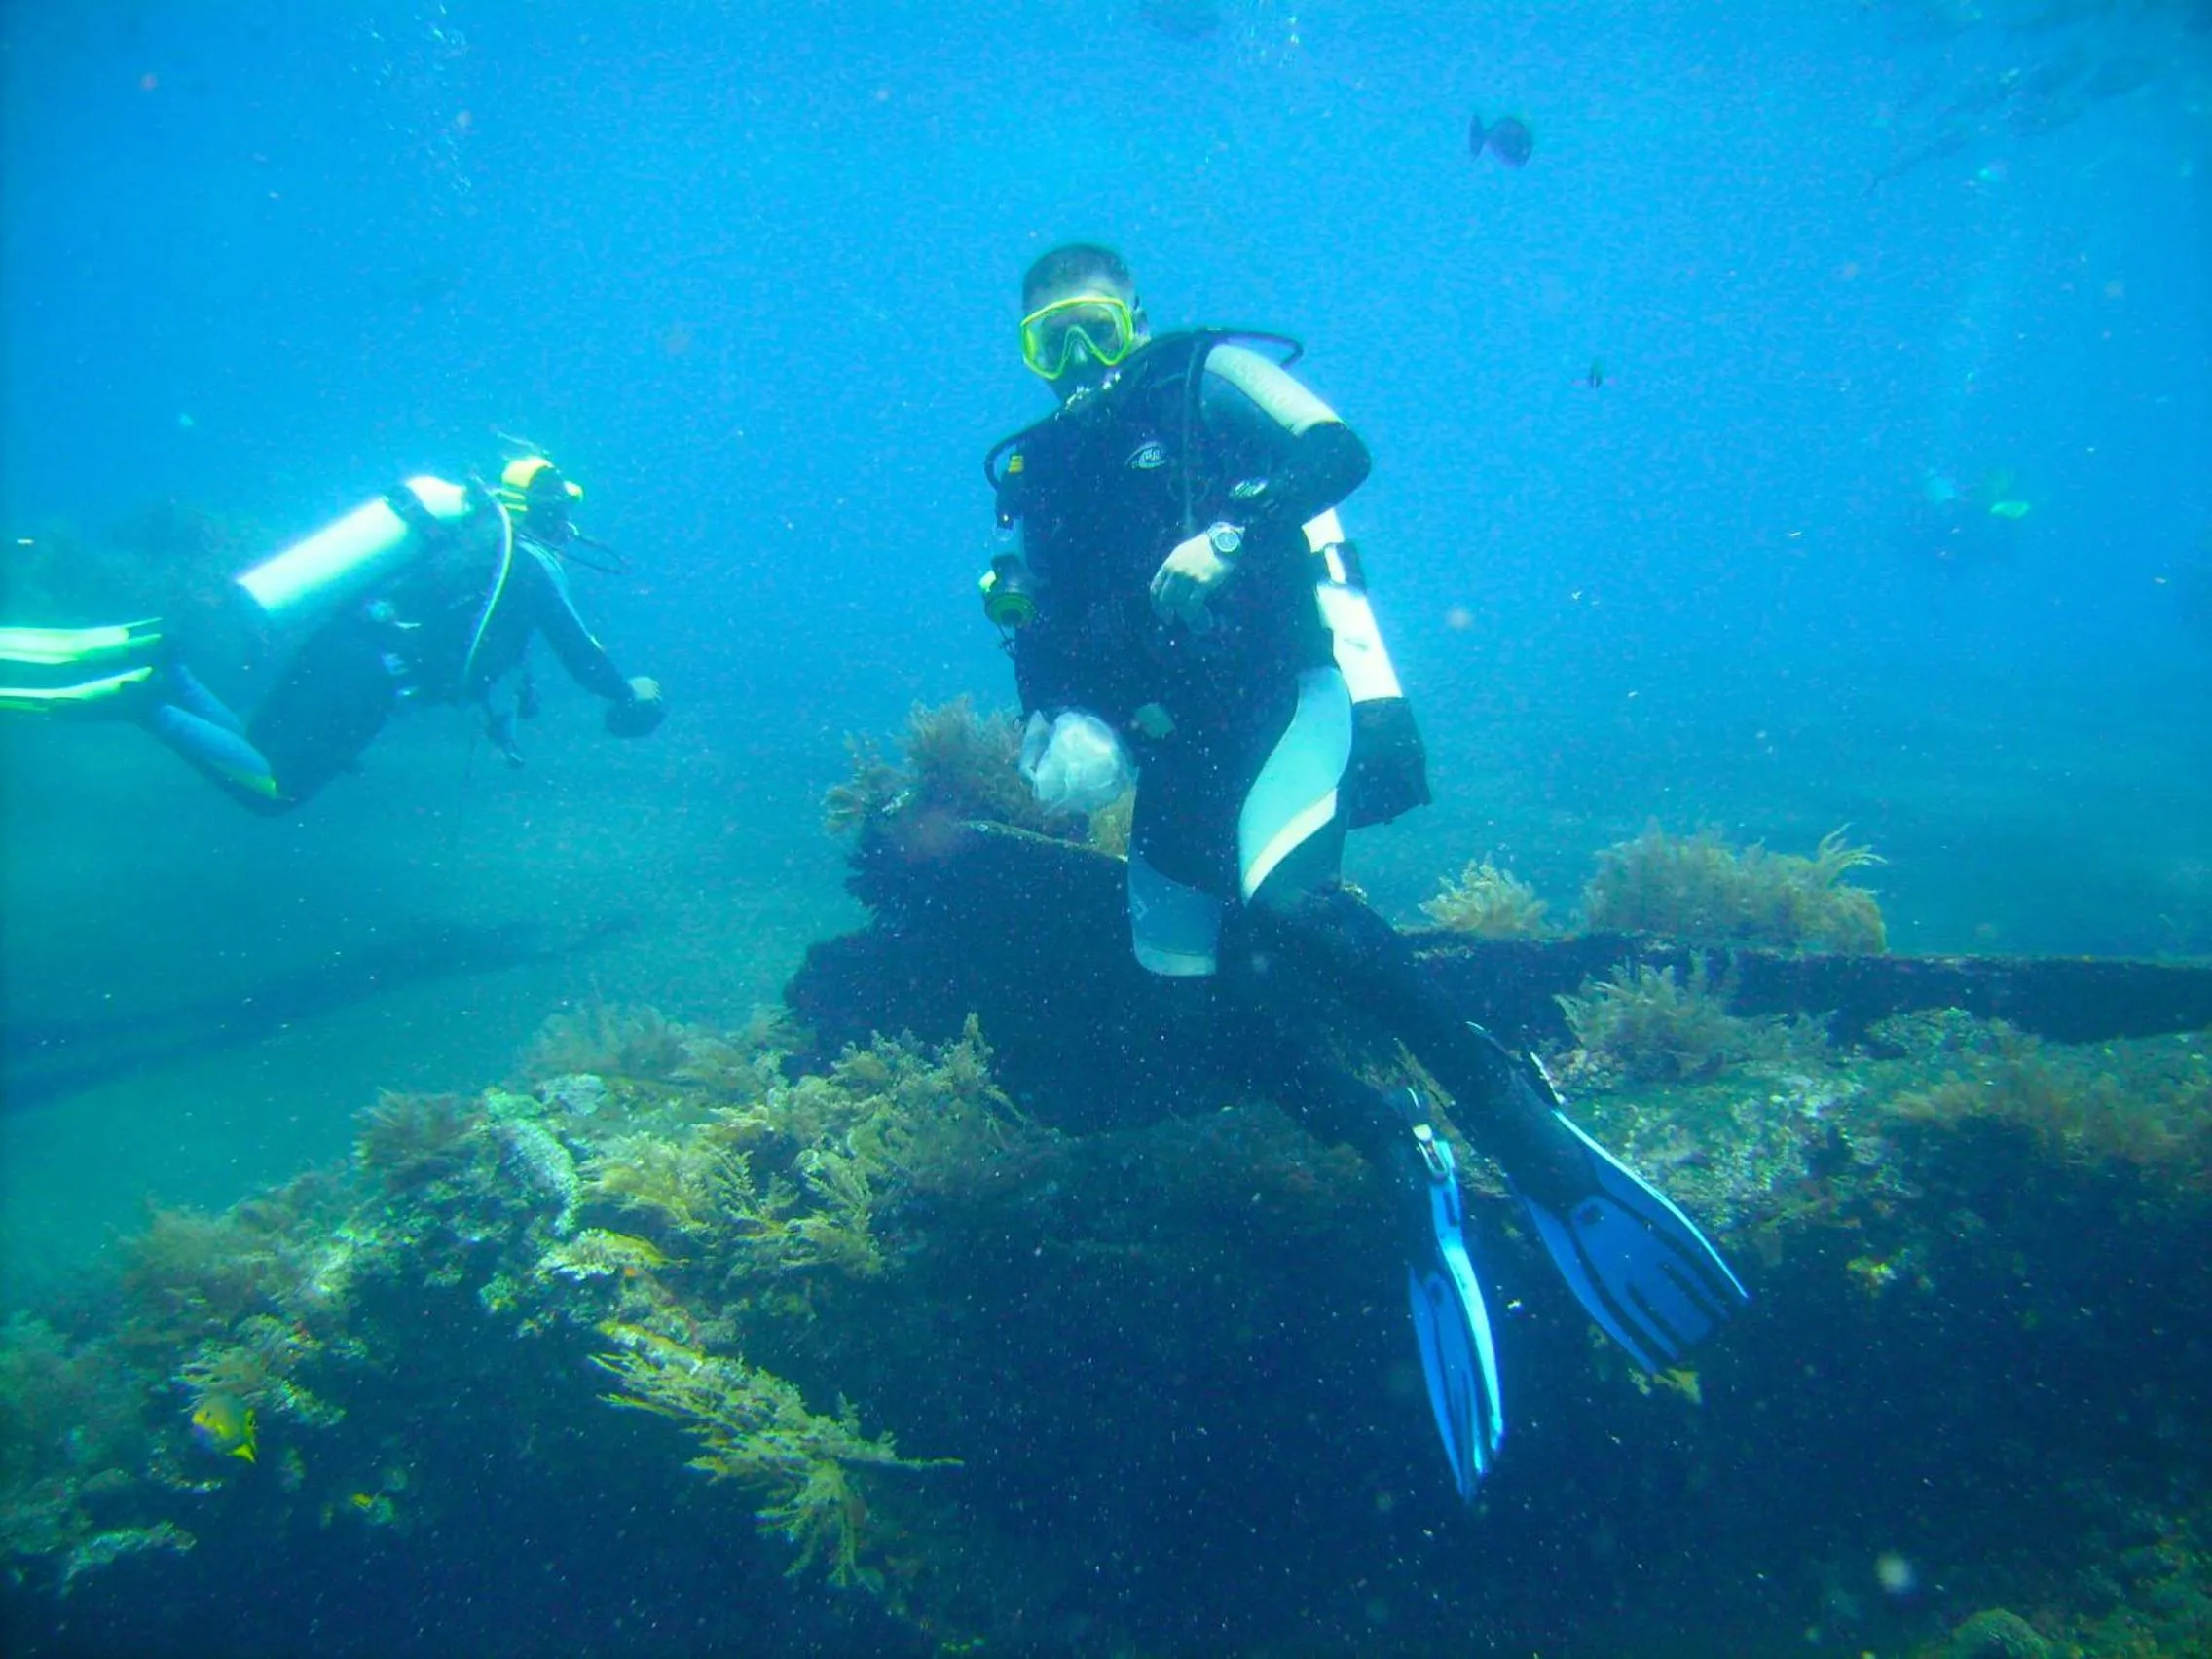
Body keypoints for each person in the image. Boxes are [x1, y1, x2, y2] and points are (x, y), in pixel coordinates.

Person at [981, 243, 1747, 1499]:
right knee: (1190, 1008)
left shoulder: (1205, 377)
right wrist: (1056, 727)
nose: (1078, 364)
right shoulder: (1036, 471)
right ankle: (1395, 1143)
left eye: (1095, 330)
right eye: (1047, 342)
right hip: (1176, 762)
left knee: (1294, 911)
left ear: (1136, 320)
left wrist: (1233, 532)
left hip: (1287, 704)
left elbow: (1336, 449)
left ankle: (1499, 1104)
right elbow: (1044, 633)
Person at [4, 454, 665, 814]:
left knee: (256, 750)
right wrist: (629, 694)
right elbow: (582, 655)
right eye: (566, 510)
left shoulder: (467, 535)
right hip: (371, 679)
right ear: (547, 510)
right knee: (273, 791)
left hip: (339, 649)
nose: (571, 526)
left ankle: (167, 670)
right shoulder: (527, 562)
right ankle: (144, 699)